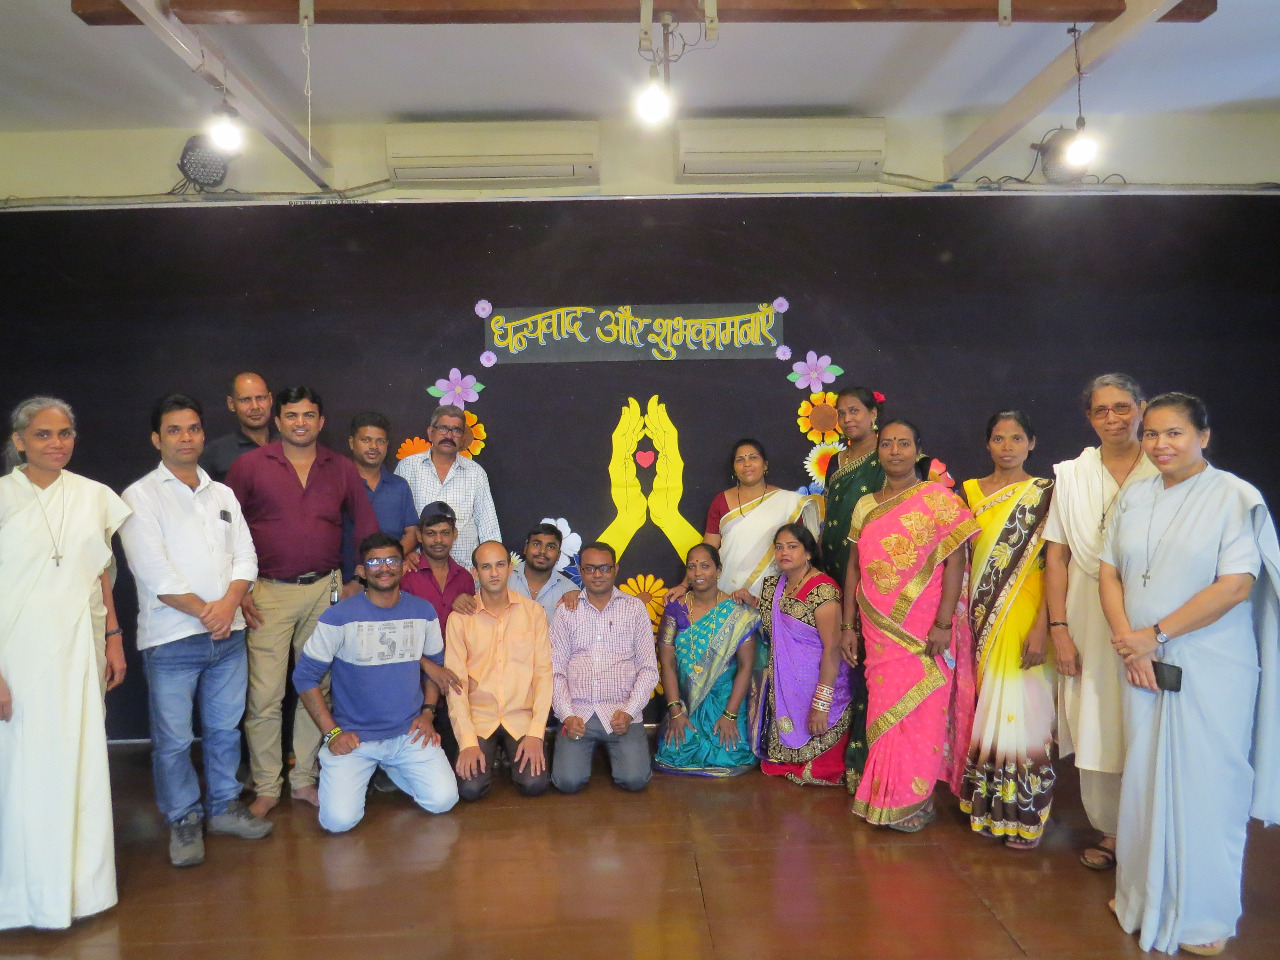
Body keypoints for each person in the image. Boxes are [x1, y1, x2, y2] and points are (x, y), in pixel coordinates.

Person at [1100, 393, 1280, 957]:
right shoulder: (1135, 496)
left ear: (1203, 436)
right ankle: (1139, 897)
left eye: (1174, 433)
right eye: (1151, 434)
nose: (1160, 445)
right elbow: (1109, 572)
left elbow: (1235, 585)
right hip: (1140, 663)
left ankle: (1204, 917)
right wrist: (1131, 645)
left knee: (1208, 784)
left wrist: (1154, 636)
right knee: (1143, 779)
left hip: (1210, 664)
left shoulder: (1235, 496)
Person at [119, 394, 272, 868]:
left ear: (203, 435)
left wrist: (228, 606)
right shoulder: (139, 496)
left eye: (193, 429)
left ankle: (224, 806)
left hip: (229, 636)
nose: (185, 438)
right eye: (174, 430)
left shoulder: (221, 494)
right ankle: (183, 817)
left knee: (225, 730)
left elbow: (246, 556)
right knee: (174, 740)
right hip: (172, 640)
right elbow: (155, 573)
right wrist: (210, 612)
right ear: (156, 439)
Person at [0, 396, 130, 930]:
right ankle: (22, 897)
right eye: (43, 434)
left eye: (64, 433)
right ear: (19, 441)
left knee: (79, 760)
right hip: (16, 655)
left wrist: (114, 638)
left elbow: (102, 573)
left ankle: (83, 891)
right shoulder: (2, 497)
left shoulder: (93, 496)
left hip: (79, 646)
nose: (56, 444)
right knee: (24, 769)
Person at [225, 386, 379, 818]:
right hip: (267, 593)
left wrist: (358, 578)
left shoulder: (340, 467)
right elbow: (224, 529)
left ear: (321, 422)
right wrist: (238, 588)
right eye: (291, 415)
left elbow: (366, 525)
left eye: (308, 415)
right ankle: (267, 785)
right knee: (266, 695)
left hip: (325, 592)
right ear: (278, 420)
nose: (300, 423)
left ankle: (304, 779)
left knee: (318, 688)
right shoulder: (250, 465)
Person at [1042, 373, 1157, 870]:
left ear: (1142, 407)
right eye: (1101, 410)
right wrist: (1060, 630)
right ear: (1089, 418)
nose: (1113, 418)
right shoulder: (1073, 476)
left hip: (1152, 609)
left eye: (1123, 407)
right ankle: (1110, 832)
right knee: (1097, 715)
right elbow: (1056, 558)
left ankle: (1152, 832)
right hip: (1086, 613)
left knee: (1148, 713)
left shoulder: (1165, 466)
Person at [841, 419, 979, 831]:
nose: (895, 451)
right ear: (878, 451)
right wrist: (847, 625)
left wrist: (943, 623)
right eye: (887, 444)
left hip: (924, 625)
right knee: (884, 706)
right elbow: (854, 568)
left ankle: (917, 799)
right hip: (877, 627)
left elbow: (956, 561)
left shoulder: (938, 499)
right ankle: (886, 794)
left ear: (918, 450)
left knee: (923, 709)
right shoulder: (865, 505)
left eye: (904, 444)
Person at [293, 533, 460, 833]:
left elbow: (434, 669)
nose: (384, 568)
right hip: (354, 737)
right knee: (338, 822)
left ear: (403, 566)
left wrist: (428, 712)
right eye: (374, 562)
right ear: (361, 570)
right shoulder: (338, 617)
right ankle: (363, 766)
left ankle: (391, 766)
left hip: (408, 734)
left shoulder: (423, 612)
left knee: (443, 800)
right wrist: (332, 733)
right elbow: (304, 676)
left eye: (392, 560)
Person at [957, 411, 1056, 850]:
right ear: (987, 444)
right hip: (976, 617)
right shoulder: (968, 492)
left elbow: (1057, 563)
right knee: (987, 709)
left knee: (1021, 710)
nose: (1008, 447)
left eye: (1017, 438)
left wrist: (1043, 628)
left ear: (1031, 443)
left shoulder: (1047, 494)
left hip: (1026, 612)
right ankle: (988, 806)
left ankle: (1025, 812)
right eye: (999, 438)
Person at [445, 540, 552, 801]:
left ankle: (509, 750)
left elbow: (543, 675)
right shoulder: (459, 618)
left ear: (510, 568)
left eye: (500, 565)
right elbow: (456, 684)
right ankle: (491, 750)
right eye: (486, 567)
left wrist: (536, 734)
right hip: (479, 718)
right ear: (475, 572)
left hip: (521, 716)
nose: (494, 573)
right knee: (470, 789)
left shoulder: (533, 612)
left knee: (534, 784)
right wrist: (468, 742)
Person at [549, 542, 659, 793]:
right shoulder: (566, 611)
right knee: (567, 782)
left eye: (604, 568)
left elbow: (648, 669)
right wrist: (567, 715)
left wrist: (629, 711)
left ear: (616, 569)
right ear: (580, 571)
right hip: (578, 714)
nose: (597, 574)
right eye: (589, 568)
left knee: (635, 780)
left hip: (621, 714)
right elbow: (556, 670)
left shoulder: (634, 608)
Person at [749, 523, 851, 786]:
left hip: (819, 683)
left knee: (819, 769)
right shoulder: (774, 587)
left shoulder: (823, 591)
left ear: (808, 553)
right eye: (779, 547)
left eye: (792, 547)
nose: (784, 552)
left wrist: (821, 704)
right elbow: (774, 625)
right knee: (774, 765)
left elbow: (833, 649)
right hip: (788, 686)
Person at [653, 543, 762, 777]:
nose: (698, 573)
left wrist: (730, 715)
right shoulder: (675, 610)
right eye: (691, 567)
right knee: (676, 751)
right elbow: (667, 664)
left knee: (731, 753)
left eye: (705, 566)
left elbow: (745, 667)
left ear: (718, 570)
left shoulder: (738, 612)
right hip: (687, 699)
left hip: (726, 699)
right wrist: (676, 713)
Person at [399, 500, 477, 761]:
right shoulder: (405, 575)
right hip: (413, 685)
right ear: (419, 536)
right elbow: (396, 635)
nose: (438, 540)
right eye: (431, 533)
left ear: (455, 534)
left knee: (455, 764)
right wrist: (430, 667)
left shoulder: (465, 578)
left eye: (445, 532)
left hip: (455, 685)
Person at [700, 439, 823, 600]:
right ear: (734, 468)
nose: (747, 464)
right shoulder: (721, 501)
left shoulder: (788, 502)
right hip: (725, 591)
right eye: (740, 460)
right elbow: (707, 551)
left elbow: (803, 552)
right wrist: (685, 584)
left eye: (753, 457)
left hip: (772, 594)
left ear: (765, 465)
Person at [395, 404, 500, 567]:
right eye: (443, 428)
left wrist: (492, 567)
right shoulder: (408, 467)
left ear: (463, 438)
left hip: (466, 571)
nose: (449, 435)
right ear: (431, 432)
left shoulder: (476, 473)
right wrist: (402, 555)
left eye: (456, 430)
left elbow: (489, 528)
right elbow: (394, 521)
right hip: (416, 570)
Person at [340, 411, 420, 590]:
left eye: (380, 441)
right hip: (346, 583)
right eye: (366, 440)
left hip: (390, 582)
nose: (374, 446)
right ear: (352, 443)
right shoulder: (338, 483)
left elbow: (412, 532)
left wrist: (387, 561)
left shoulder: (399, 486)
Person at [822, 386, 886, 589]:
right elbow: (829, 514)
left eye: (854, 411)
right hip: (832, 560)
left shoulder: (887, 458)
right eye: (841, 414)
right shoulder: (835, 461)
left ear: (873, 413)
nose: (847, 419)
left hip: (873, 561)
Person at [200, 372, 273, 482]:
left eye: (261, 398)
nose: (255, 406)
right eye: (246, 400)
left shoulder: (289, 444)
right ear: (231, 404)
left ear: (270, 399)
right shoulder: (214, 453)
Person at [509, 522, 578, 622]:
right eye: (536, 544)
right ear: (526, 548)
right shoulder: (504, 579)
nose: (542, 551)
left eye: (550, 547)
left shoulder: (570, 591)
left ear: (558, 555)